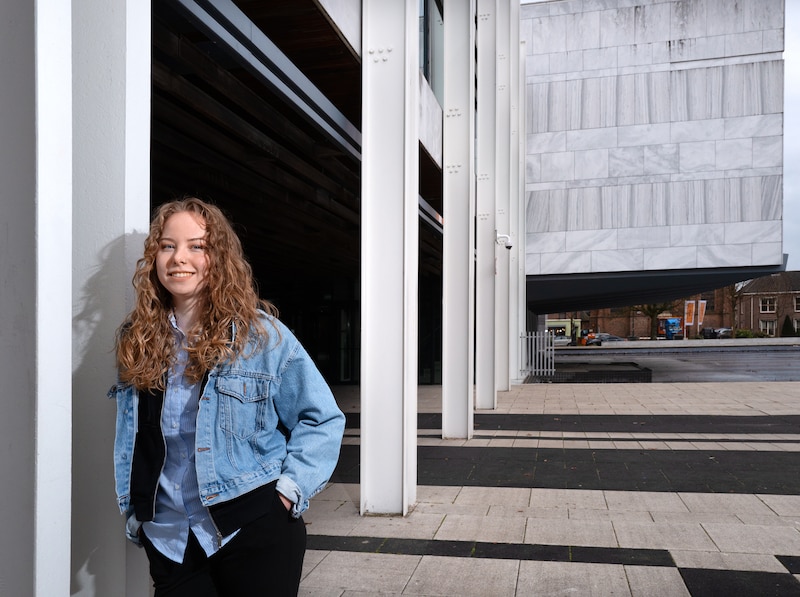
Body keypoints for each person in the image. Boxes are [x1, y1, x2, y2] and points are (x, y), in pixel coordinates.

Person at [109, 197, 345, 596]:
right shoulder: (138, 339)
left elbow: (321, 418)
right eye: (167, 246)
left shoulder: (261, 336)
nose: (179, 258)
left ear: (218, 257)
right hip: (170, 538)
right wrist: (137, 514)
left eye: (196, 246)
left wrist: (288, 494)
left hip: (253, 529)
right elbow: (136, 437)